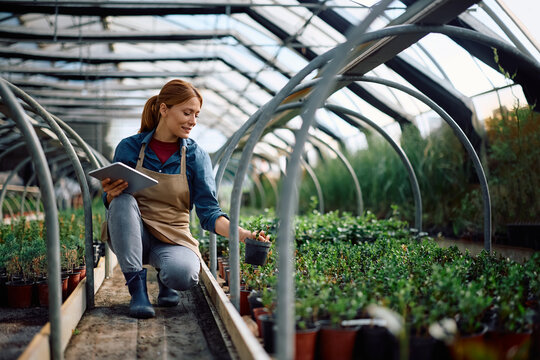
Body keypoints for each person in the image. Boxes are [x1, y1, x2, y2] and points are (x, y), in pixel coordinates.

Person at [101, 79, 268, 319]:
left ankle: (166, 280)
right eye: (187, 112)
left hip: (173, 237)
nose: (193, 121)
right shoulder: (129, 148)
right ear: (164, 109)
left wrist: (244, 235)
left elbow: (209, 213)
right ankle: (137, 292)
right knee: (122, 202)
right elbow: (112, 204)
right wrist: (111, 194)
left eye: (196, 115)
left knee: (184, 274)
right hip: (134, 236)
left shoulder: (195, 156)